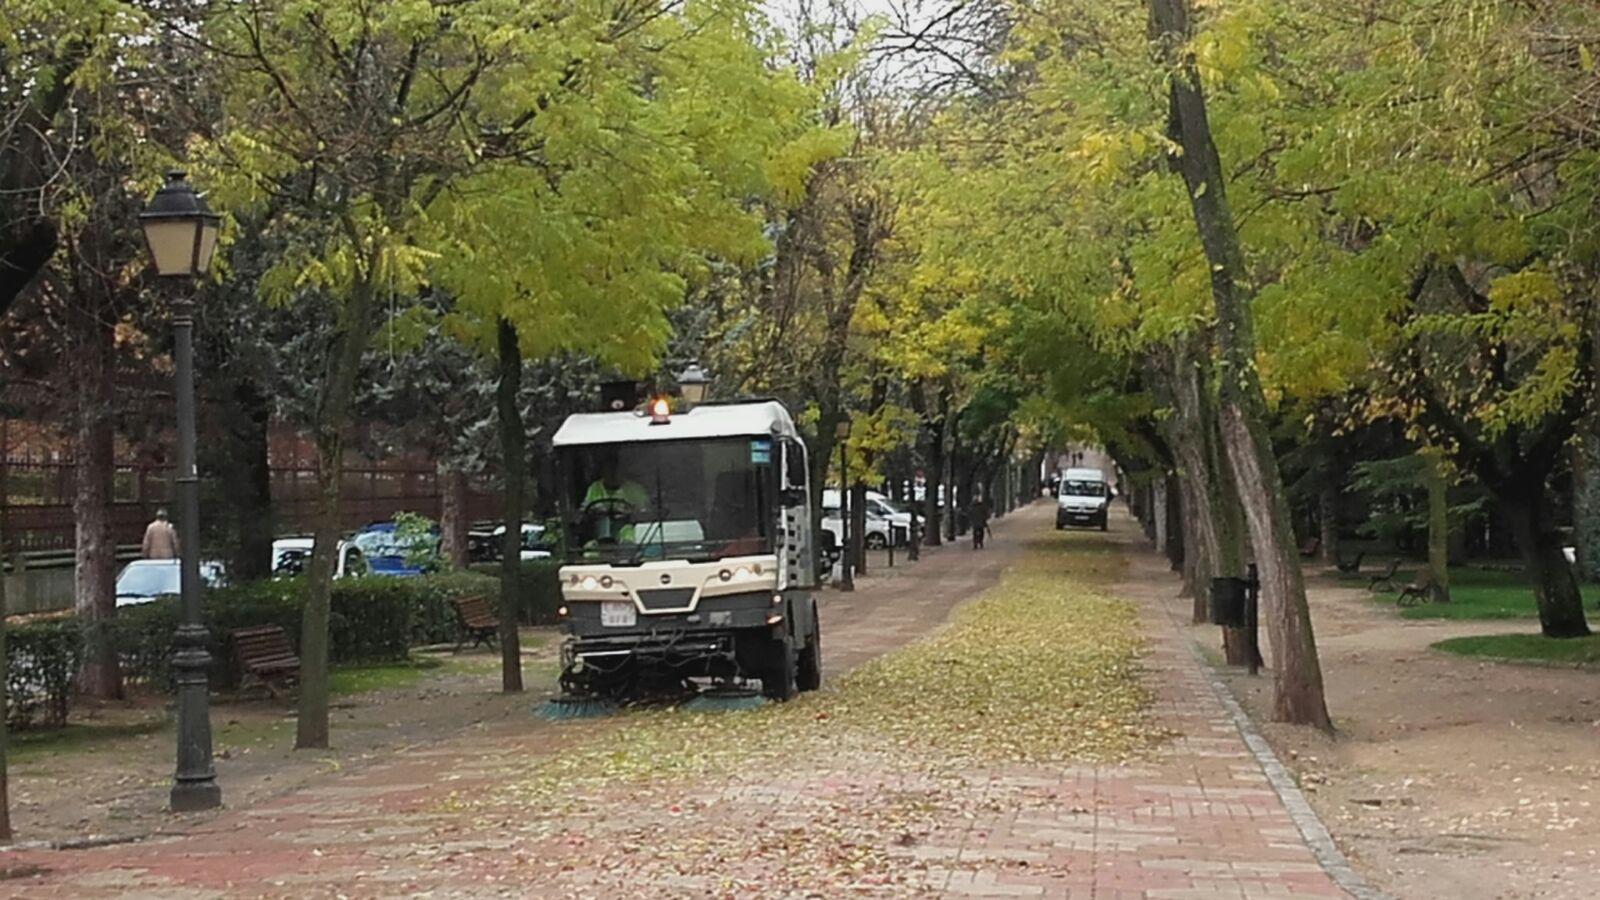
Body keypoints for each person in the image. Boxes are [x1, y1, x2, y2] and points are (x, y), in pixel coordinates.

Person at [582, 453, 649, 543]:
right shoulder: (594, 488)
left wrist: (632, 512)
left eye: (615, 469)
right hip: (599, 533)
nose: (612, 473)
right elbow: (584, 511)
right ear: (602, 471)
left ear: (622, 471)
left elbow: (646, 515)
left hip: (627, 532)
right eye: (608, 469)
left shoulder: (636, 490)